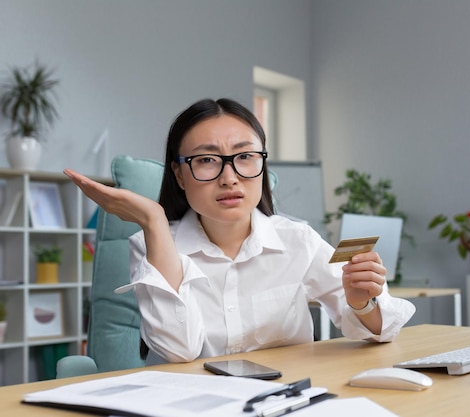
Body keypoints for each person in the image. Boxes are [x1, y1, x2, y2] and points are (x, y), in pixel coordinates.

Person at [64, 98, 415, 365]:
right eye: (206, 160)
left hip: (286, 402)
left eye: (245, 156)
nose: (229, 177)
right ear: (179, 174)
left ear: (262, 165)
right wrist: (154, 220)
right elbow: (179, 350)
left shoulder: (298, 241)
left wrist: (362, 302)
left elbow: (382, 330)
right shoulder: (152, 244)